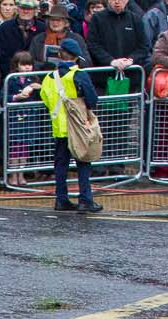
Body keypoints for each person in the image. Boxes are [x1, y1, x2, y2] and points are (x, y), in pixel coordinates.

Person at [39, 47, 102, 211]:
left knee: (61, 165)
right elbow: (92, 99)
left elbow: (45, 98)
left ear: (59, 55)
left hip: (59, 128)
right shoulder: (78, 74)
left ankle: (61, 199)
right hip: (78, 126)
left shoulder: (48, 77)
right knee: (83, 161)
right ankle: (86, 200)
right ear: (77, 57)